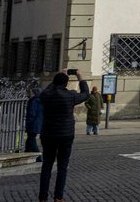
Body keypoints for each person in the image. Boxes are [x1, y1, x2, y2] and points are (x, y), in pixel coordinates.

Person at [38, 70, 92, 202]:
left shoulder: (46, 95)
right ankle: (58, 197)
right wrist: (80, 78)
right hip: (65, 135)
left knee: (47, 166)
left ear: (54, 82)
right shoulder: (70, 96)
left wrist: (57, 78)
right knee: (62, 167)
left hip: (48, 134)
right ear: (67, 83)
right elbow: (85, 94)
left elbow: (47, 90)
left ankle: (43, 197)